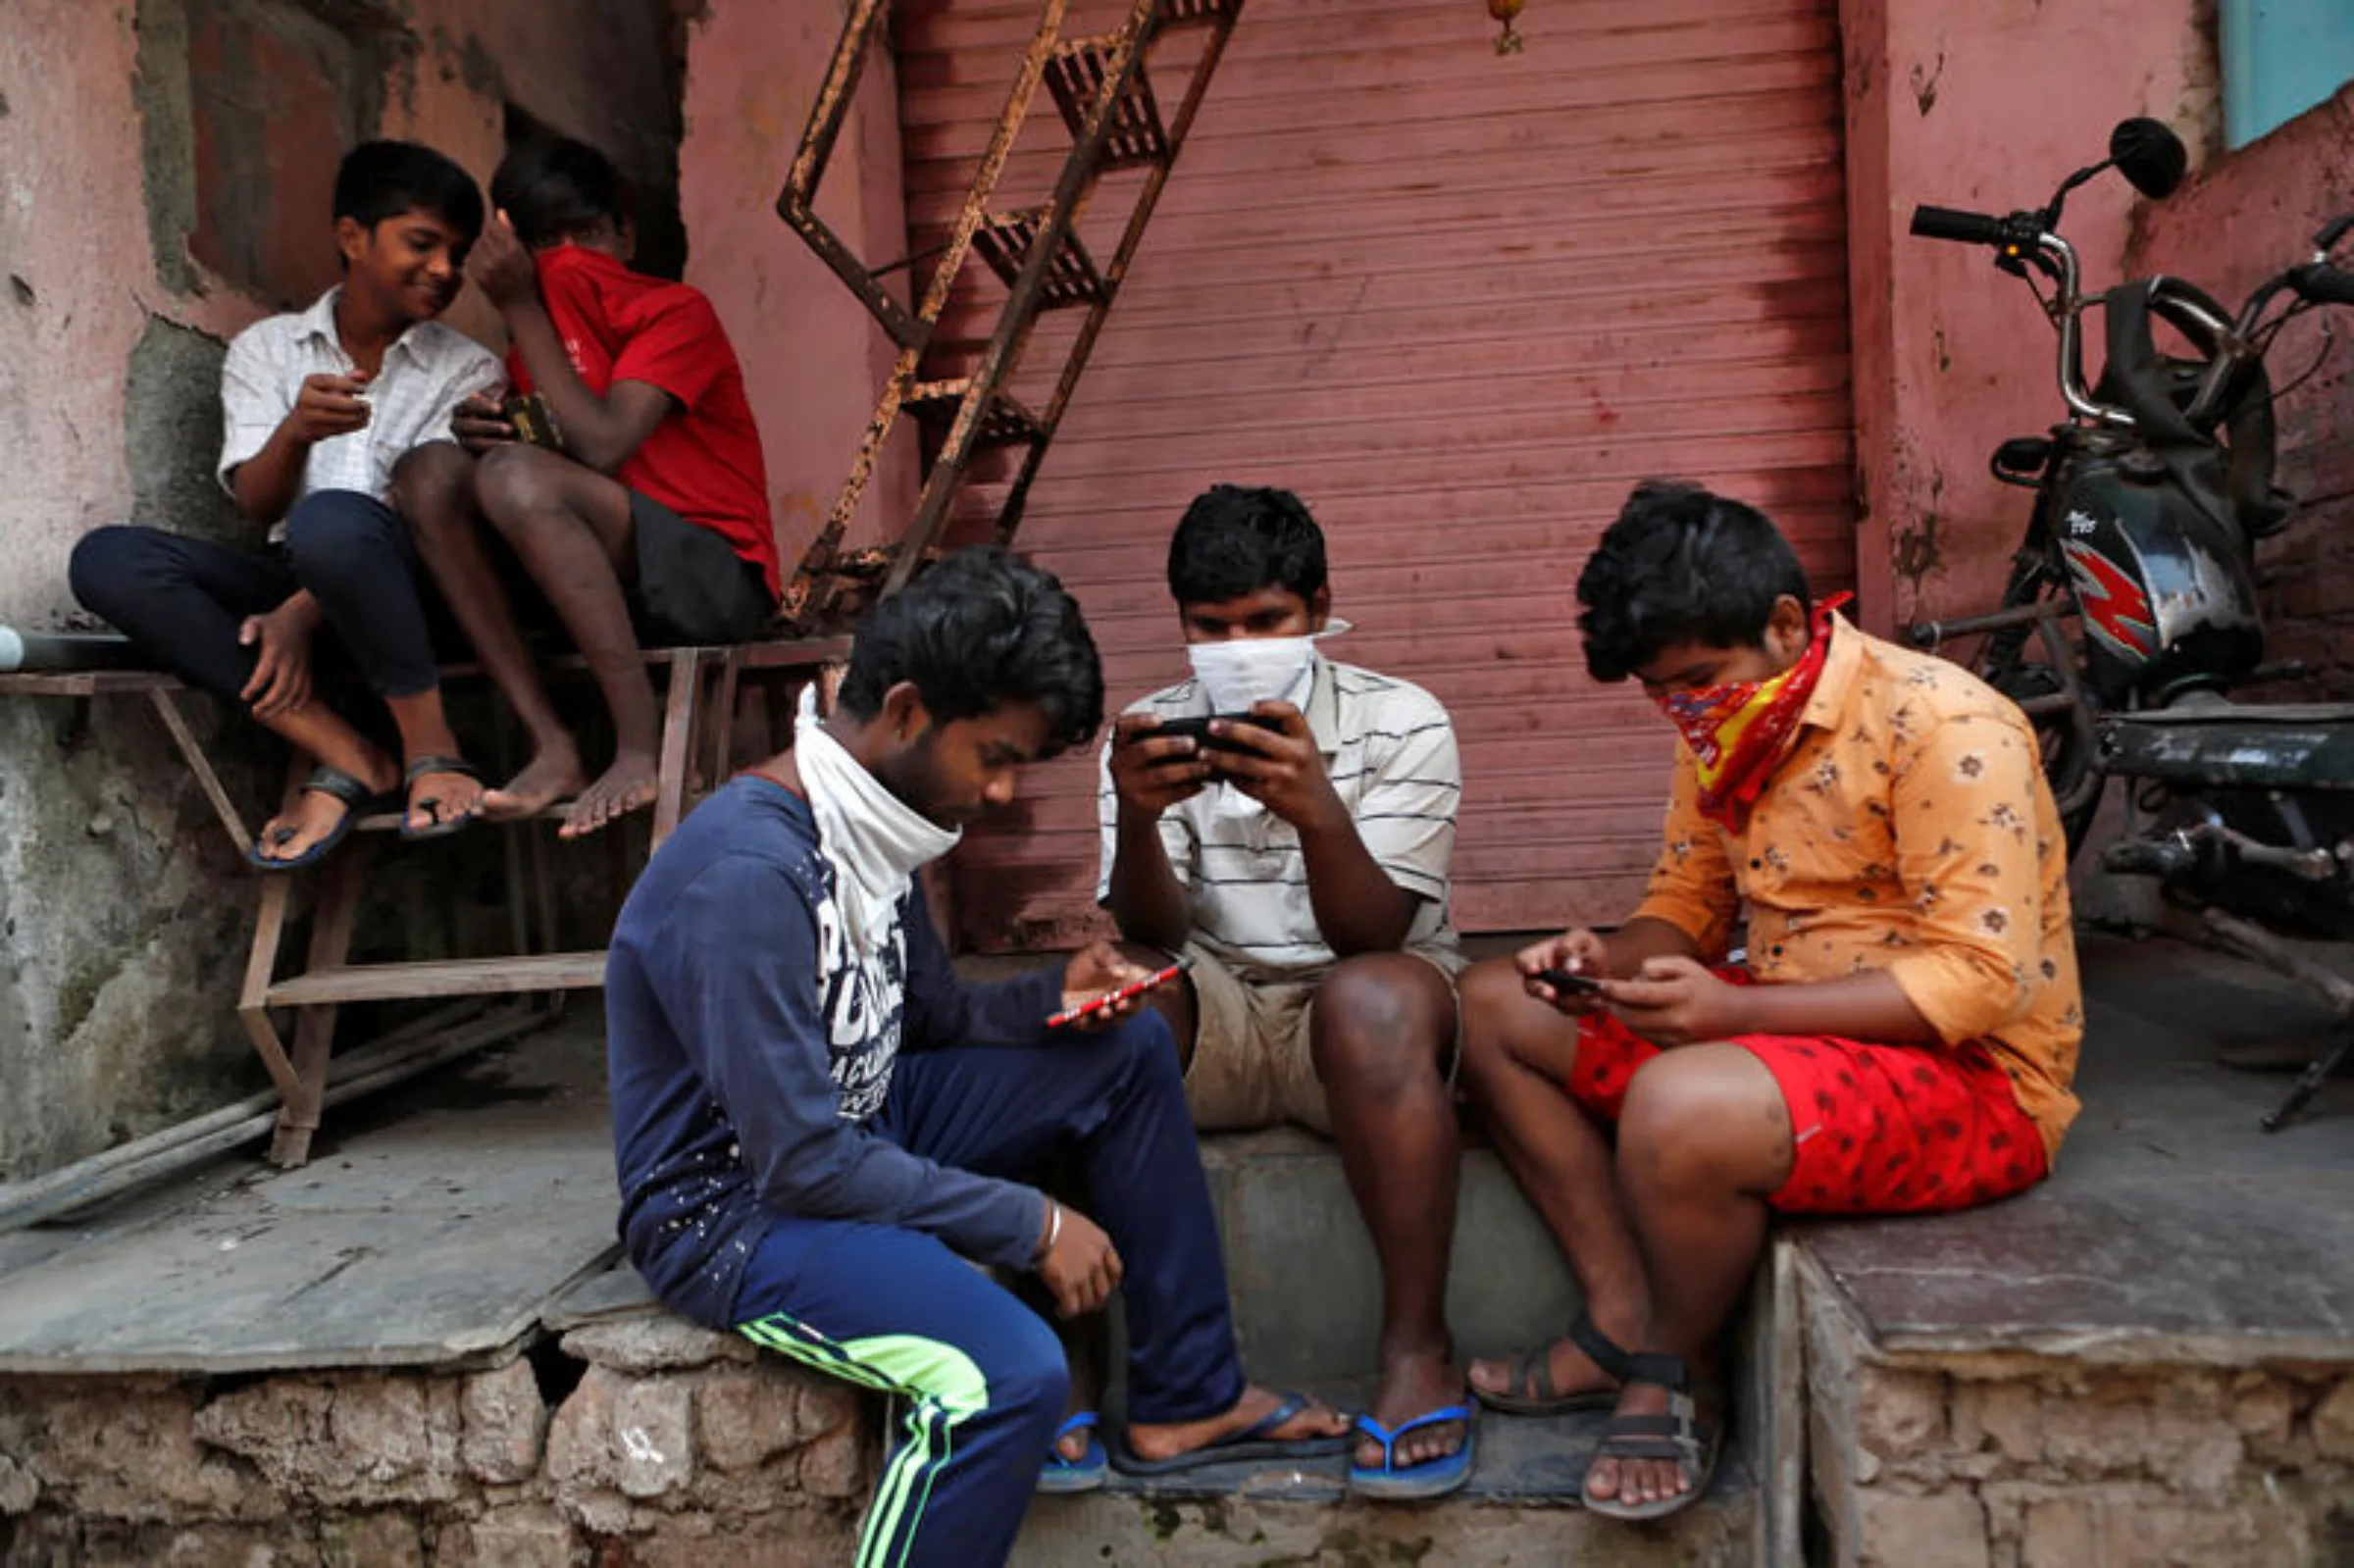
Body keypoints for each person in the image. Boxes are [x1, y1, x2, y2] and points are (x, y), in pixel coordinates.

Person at [605, 547, 1349, 1568]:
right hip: (736, 1210)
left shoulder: (877, 818)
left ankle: (1188, 1396)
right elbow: (802, 1164)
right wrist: (1030, 1222)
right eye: (994, 756)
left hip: (861, 1119)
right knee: (1003, 1373)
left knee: (1127, 1046)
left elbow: (934, 1021)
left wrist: (1058, 997)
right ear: (908, 713)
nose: (1000, 793)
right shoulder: (747, 874)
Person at [1457, 481, 2083, 1522]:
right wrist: (1607, 962)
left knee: (1681, 1103)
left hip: (1971, 1078)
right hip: (1786, 1020)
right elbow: (1686, 906)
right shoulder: (1727, 719)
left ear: (1789, 622)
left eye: (1697, 679)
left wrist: (1731, 1017)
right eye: (1663, 693)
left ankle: (1669, 1365)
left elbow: (1977, 985)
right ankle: (1617, 1315)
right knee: (1491, 1003)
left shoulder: (1948, 723)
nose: (1683, 708)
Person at [1096, 484, 1472, 1498]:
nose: (1239, 644)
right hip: (1222, 1005)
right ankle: (1097, 1364)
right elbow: (1152, 936)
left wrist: (1317, 813)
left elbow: (1374, 934)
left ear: (1318, 608)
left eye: (1266, 621)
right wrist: (1137, 819)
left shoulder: (1404, 720)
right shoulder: (1149, 732)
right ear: (1179, 623)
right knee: (1107, 992)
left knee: (1371, 998)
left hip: (1360, 1014)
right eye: (1211, 628)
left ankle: (1416, 1350)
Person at [71, 140, 502, 865]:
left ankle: (433, 746)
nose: (443, 270)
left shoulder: (468, 368)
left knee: (332, 522)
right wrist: (297, 431)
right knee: (109, 561)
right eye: (423, 244)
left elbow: (428, 517)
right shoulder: (267, 351)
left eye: (456, 255)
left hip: (413, 594)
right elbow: (252, 500)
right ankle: (346, 748)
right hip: (294, 569)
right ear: (352, 236)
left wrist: (300, 614)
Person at [392, 134, 780, 840]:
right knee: (428, 473)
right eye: (547, 242)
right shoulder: (532, 348)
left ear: (625, 235)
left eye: (589, 235)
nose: (570, 260)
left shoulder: (676, 312)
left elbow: (603, 443)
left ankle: (638, 746)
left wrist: (523, 306)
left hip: (712, 579)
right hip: (599, 579)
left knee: (513, 479)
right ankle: (554, 744)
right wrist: (490, 430)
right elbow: (551, 465)